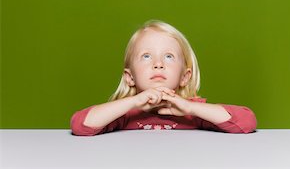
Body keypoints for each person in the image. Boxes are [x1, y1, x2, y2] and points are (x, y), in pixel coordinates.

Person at [70, 20, 257, 136]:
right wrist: (133, 102)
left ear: (185, 77)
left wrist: (191, 107)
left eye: (168, 56)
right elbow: (80, 125)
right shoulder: (125, 114)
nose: (158, 63)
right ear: (130, 77)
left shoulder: (191, 111)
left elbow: (247, 122)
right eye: (146, 56)